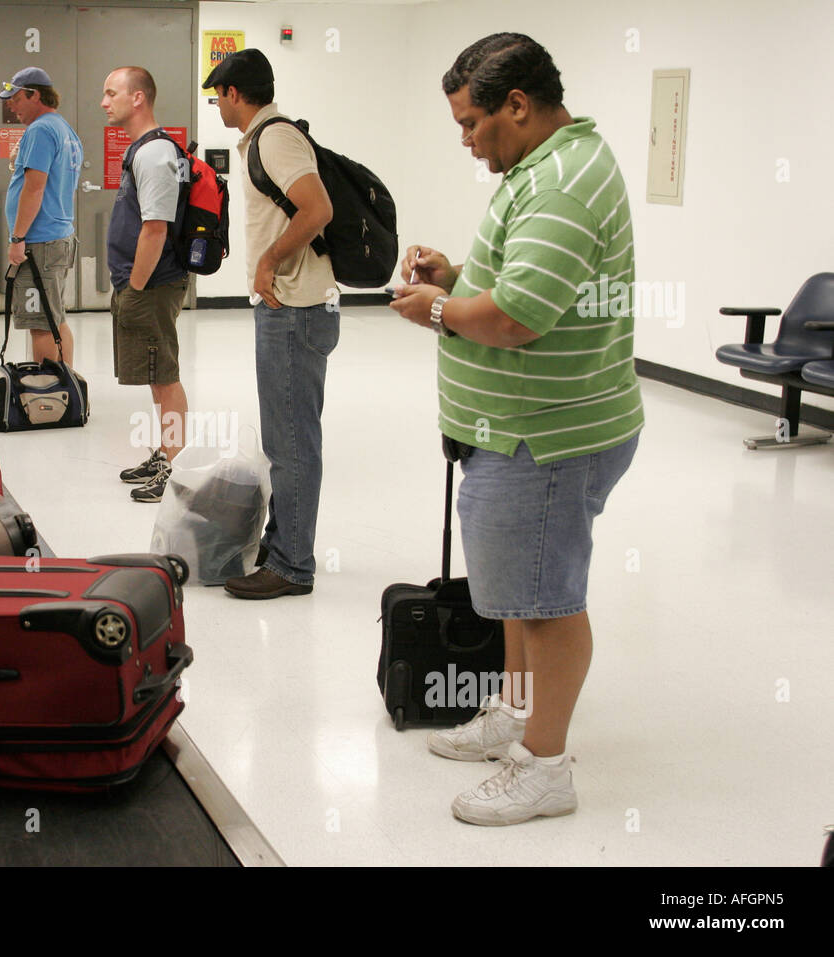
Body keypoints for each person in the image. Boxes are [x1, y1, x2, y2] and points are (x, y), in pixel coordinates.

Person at [390, 33, 643, 826]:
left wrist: (436, 309)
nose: (466, 140)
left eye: (471, 124)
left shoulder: (563, 179)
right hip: (517, 428)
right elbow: (511, 285)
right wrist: (457, 279)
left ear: (519, 106)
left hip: (549, 434)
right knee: (518, 595)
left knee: (546, 602)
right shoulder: (537, 167)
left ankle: (546, 766)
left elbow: (515, 317)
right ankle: (514, 712)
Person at [203, 48, 337, 600]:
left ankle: (291, 566)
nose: (216, 105)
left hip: (294, 308)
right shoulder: (266, 137)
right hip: (294, 306)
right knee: (289, 436)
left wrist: (267, 261)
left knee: (291, 442)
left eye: (218, 96)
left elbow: (317, 209)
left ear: (237, 93)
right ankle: (287, 545)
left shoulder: (274, 138)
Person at [100, 66, 190, 503]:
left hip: (151, 285)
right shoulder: (145, 150)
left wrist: (135, 286)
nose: (104, 101)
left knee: (165, 376)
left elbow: (155, 227)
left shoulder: (154, 154)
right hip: (144, 283)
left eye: (111, 92)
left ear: (138, 98)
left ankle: (175, 467)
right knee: (157, 376)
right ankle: (164, 454)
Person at [0, 67, 83, 367]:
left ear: (34, 95)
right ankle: (65, 387)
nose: (10, 105)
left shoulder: (40, 130)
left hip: (39, 243)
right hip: (57, 239)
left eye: (16, 98)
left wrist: (18, 238)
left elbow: (35, 189)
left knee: (40, 323)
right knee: (54, 317)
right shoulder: (64, 130)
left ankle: (47, 397)